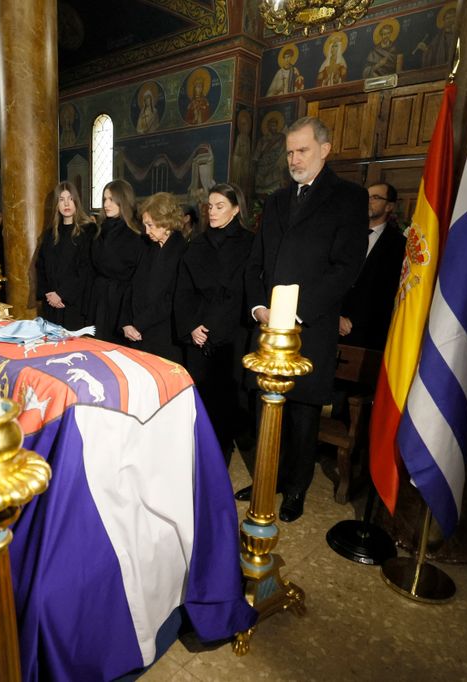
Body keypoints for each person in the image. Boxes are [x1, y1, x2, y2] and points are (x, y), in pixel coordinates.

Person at [241, 116, 366, 521]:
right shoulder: (276, 200)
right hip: (269, 326)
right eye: (290, 151)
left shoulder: (348, 197)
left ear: (325, 150)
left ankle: (296, 488)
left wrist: (298, 311)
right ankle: (268, 478)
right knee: (266, 409)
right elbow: (255, 262)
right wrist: (260, 306)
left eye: (302, 150)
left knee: (301, 414)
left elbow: (346, 267)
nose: (293, 158)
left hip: (310, 326)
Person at [175, 183, 254, 461]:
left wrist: (215, 328)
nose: (213, 212)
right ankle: (198, 455)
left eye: (220, 206)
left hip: (232, 335)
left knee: (227, 401)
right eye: (210, 206)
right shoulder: (196, 244)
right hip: (198, 336)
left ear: (235, 209)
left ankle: (221, 455)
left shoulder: (250, 244)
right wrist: (192, 327)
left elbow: (245, 293)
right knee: (199, 399)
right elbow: (183, 291)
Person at [339, 182, 406, 350]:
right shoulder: (344, 236)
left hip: (368, 335)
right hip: (330, 327)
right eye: (366, 197)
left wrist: (354, 320)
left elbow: (389, 292)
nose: (368, 201)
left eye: (375, 198)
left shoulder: (399, 245)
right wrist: (335, 316)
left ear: (389, 206)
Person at [120, 192, 186, 362]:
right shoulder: (148, 247)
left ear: (166, 222)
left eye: (150, 225)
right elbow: (131, 285)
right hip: (136, 332)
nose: (146, 231)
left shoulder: (184, 251)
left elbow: (171, 299)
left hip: (163, 336)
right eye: (145, 225)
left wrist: (138, 323)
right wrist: (126, 322)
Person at [89, 180, 144, 341]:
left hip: (121, 303)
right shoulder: (100, 230)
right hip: (99, 299)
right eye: (105, 199)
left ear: (124, 200)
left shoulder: (136, 234)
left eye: (112, 199)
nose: (106, 204)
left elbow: (136, 277)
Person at [36, 182, 95, 329]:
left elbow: (86, 269)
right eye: (61, 199)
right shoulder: (50, 233)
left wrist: (61, 294)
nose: (66, 203)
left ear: (77, 201)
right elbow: (40, 266)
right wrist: (48, 293)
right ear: (56, 204)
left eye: (70, 198)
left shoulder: (88, 230)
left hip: (75, 303)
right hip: (51, 304)